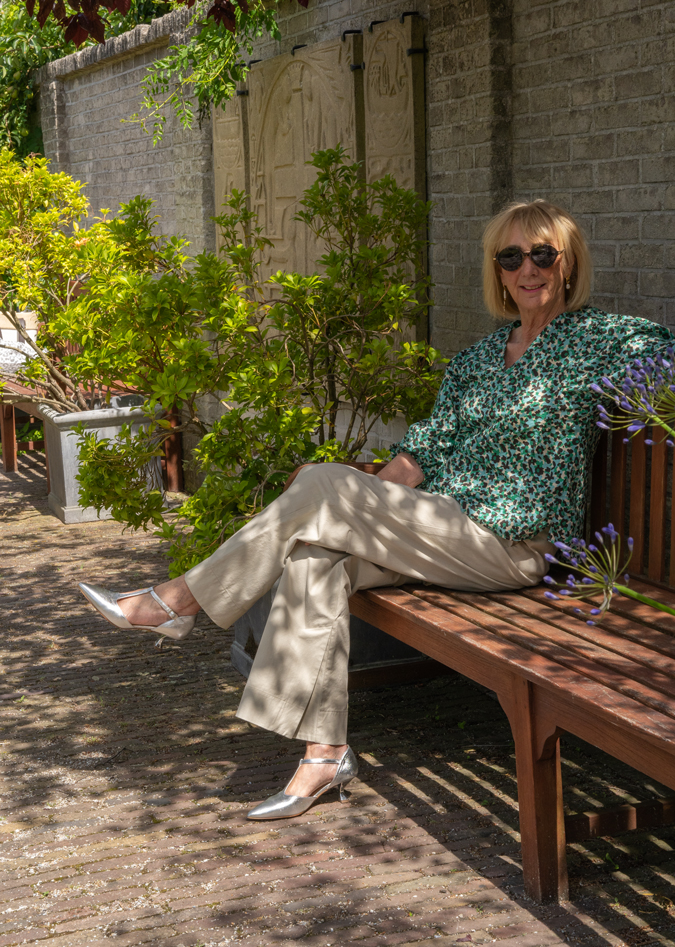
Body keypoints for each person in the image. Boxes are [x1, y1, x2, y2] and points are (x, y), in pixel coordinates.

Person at [79, 199, 673, 820]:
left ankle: (177, 602)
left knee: (323, 486)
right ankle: (323, 755)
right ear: (497, 271)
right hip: (443, 525)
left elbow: (669, 355)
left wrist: (335, 493)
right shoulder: (477, 361)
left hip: (512, 540)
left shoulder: (600, 341)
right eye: (511, 256)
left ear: (568, 263)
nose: (529, 268)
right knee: (315, 554)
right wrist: (353, 501)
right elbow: (417, 458)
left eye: (543, 254)